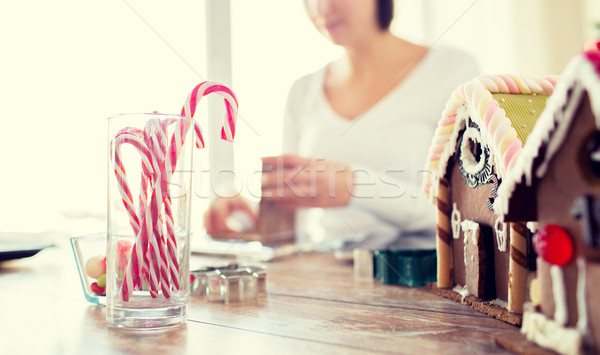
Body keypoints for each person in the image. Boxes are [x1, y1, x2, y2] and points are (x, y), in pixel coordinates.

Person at [204, 0, 479, 244]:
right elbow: (295, 222)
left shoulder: (451, 70)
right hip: (325, 284)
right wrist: (244, 213)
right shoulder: (303, 90)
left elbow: (465, 213)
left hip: (417, 284)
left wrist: (353, 187)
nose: (321, 8)